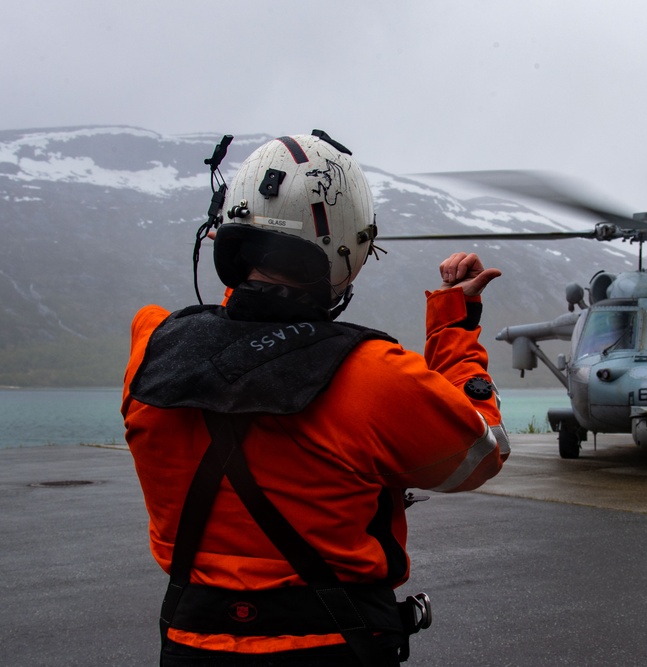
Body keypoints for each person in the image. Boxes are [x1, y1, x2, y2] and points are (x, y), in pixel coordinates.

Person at [122, 131, 509, 666]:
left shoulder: (152, 348)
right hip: (334, 645)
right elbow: (480, 455)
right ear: (347, 248)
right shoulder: (373, 375)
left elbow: (240, 354)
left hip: (190, 645)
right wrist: (454, 326)